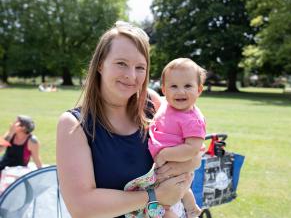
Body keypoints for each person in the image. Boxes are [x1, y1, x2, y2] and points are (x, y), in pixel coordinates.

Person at [56, 20, 201, 218]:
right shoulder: (74, 125)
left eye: (140, 67)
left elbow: (194, 155)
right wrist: (155, 196)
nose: (131, 76)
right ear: (100, 64)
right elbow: (81, 207)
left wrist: (188, 162)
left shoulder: (152, 103)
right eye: (121, 64)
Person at [148, 58, 206, 218]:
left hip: (174, 168)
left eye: (188, 86)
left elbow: (192, 149)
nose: (180, 91)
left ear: (199, 90)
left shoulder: (192, 119)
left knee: (161, 207)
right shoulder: (166, 105)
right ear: (164, 90)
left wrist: (165, 155)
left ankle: (190, 208)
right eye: (174, 86)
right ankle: (192, 207)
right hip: (168, 170)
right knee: (174, 195)